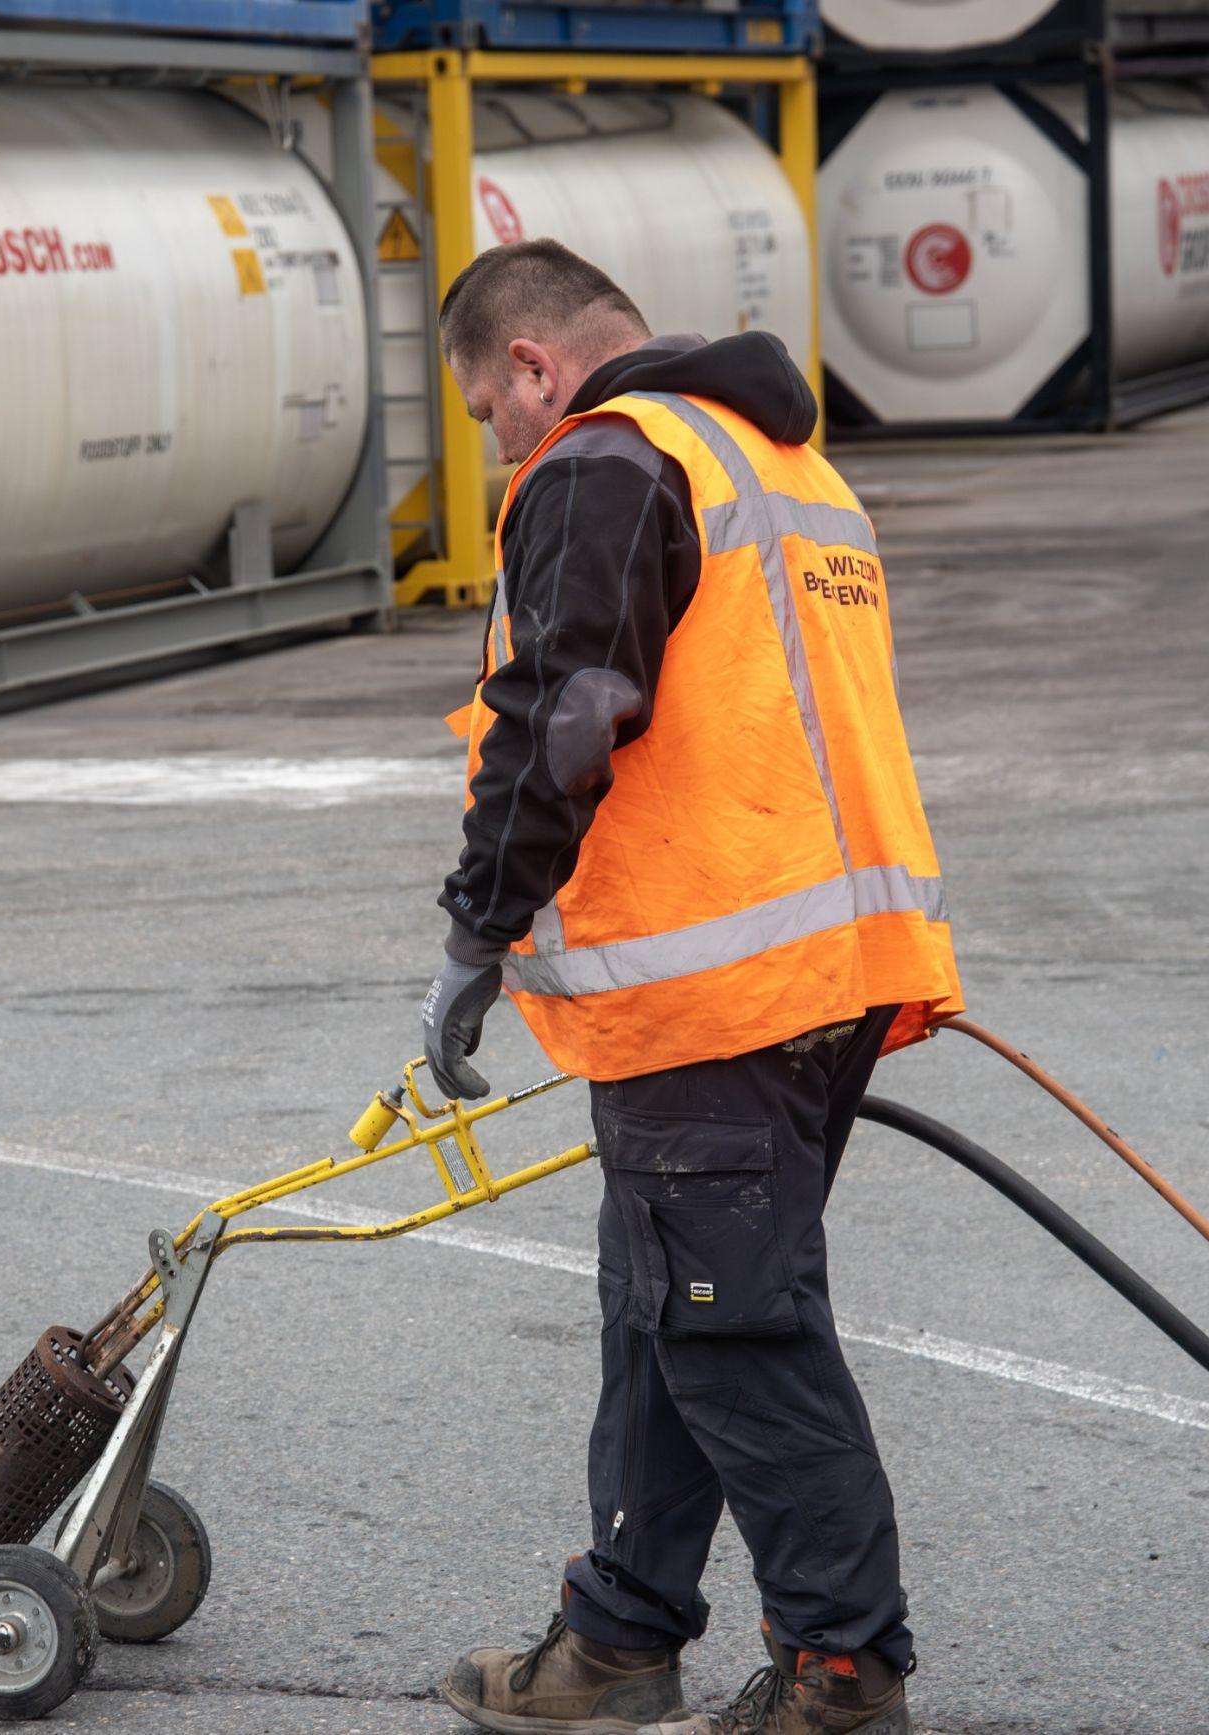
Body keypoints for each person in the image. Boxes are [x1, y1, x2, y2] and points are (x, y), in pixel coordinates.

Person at [415, 239, 963, 1735]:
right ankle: (621, 1635)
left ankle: (843, 1671)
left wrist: (479, 932)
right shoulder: (776, 461)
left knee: (731, 1328)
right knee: (671, 1314)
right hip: (818, 983)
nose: (497, 444)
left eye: (487, 413)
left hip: (715, 997)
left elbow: (566, 714)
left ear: (533, 364)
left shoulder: (606, 463)